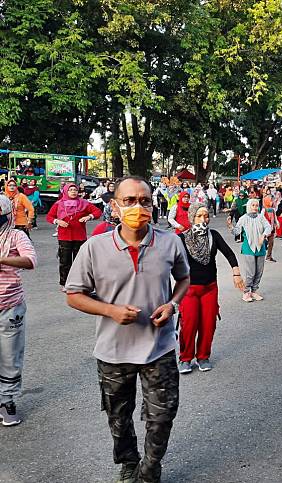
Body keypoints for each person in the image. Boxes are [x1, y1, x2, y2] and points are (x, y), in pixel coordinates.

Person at [65, 176, 191, 483]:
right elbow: (73, 294)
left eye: (145, 201)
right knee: (118, 417)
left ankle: (150, 468)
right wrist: (110, 310)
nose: (138, 207)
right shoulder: (94, 248)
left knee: (162, 417)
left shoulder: (170, 242)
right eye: (129, 201)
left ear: (153, 205)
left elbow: (184, 280)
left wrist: (172, 304)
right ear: (114, 206)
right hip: (113, 351)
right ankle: (129, 463)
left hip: (158, 347)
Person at [177, 203, 244, 374]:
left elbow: (229, 253)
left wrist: (236, 273)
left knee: (208, 324)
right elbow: (168, 261)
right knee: (189, 324)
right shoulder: (181, 238)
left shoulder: (213, 235)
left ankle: (203, 356)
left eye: (206, 215)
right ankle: (185, 358)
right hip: (189, 289)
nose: (203, 219)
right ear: (192, 218)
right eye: (199, 216)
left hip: (209, 288)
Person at [0, 195, 37, 427]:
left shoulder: (16, 235)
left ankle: (8, 401)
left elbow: (31, 260)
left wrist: (3, 259)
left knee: (9, 357)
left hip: (9, 307)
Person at [46, 183, 103, 290]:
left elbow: (98, 212)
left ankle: (79, 283)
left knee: (80, 262)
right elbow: (49, 216)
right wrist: (57, 221)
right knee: (65, 262)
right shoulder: (59, 204)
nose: (73, 192)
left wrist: (89, 216)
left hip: (80, 236)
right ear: (66, 191)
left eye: (75, 190)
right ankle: (64, 283)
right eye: (70, 190)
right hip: (64, 237)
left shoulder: (84, 203)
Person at [229, 198, 272, 303]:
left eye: (256, 205)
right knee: (251, 272)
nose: (255, 207)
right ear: (249, 206)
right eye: (252, 205)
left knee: (259, 271)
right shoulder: (243, 218)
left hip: (260, 248)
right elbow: (237, 231)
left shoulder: (261, 217)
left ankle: (254, 290)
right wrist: (230, 226)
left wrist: (264, 235)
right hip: (248, 248)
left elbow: (268, 227)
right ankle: (246, 291)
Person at [261, 196, 278, 262]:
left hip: (272, 228)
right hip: (265, 229)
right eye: (270, 200)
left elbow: (275, 217)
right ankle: (260, 256)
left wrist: (276, 223)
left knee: (271, 243)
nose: (272, 202)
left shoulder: (272, 209)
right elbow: (261, 219)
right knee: (263, 243)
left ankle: (269, 256)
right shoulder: (264, 210)